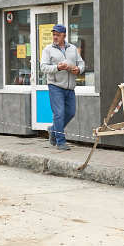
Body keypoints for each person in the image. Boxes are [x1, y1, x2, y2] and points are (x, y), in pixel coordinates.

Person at [40, 23, 84, 151]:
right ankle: (60, 142)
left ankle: (53, 130)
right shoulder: (48, 49)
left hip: (70, 87)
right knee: (58, 114)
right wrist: (58, 67)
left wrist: (78, 70)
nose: (55, 37)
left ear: (64, 35)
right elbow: (43, 67)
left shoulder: (72, 48)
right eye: (54, 34)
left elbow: (81, 64)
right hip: (55, 86)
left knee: (70, 113)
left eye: (58, 35)